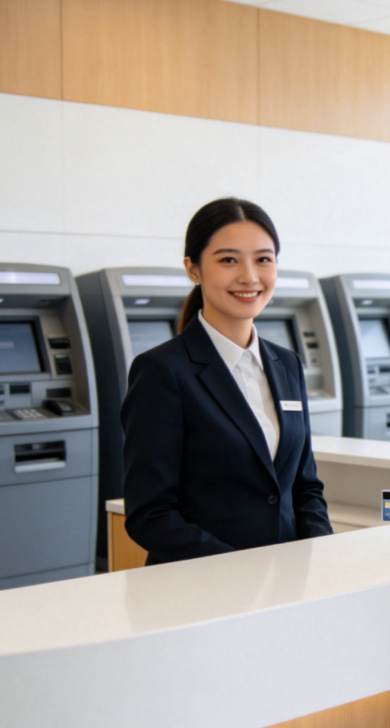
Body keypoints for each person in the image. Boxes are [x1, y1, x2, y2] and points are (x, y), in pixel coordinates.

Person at [121, 197, 332, 564]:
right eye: (228, 260)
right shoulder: (162, 370)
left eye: (263, 259)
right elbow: (150, 515)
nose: (249, 277)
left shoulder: (287, 364)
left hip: (285, 586)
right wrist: (240, 573)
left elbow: (305, 487)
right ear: (194, 269)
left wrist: (319, 559)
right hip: (203, 590)